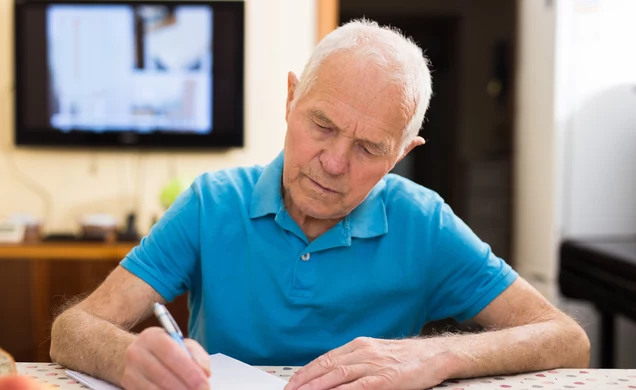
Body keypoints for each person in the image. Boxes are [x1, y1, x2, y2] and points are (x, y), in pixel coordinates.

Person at [50, 19, 590, 390]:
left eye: (369, 148)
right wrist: (127, 359)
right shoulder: (211, 202)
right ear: (291, 100)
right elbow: (71, 330)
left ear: (402, 153)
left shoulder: (425, 222)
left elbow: (567, 340)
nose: (333, 162)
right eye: (322, 126)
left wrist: (435, 355)